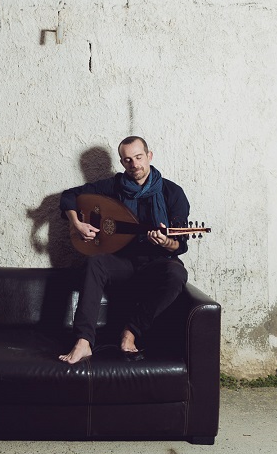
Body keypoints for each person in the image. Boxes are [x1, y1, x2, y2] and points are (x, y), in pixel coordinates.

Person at [58, 136, 190, 364]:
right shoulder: (113, 187)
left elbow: (180, 245)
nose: (134, 164)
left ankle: (130, 332)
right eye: (128, 160)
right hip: (121, 262)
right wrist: (76, 224)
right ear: (121, 162)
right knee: (94, 262)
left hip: (156, 263)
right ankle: (83, 341)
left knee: (177, 273)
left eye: (139, 157)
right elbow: (69, 196)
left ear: (149, 156)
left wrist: (165, 242)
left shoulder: (172, 192)